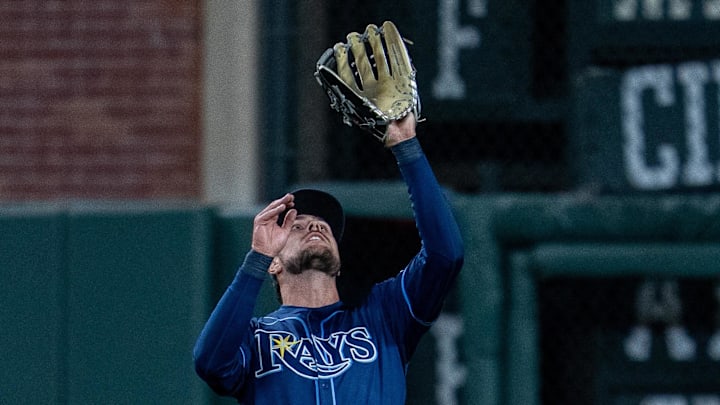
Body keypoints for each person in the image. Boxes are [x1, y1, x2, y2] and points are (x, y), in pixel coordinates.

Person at [193, 113, 464, 404]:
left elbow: (445, 255)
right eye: (296, 226)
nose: (315, 225)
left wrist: (407, 147)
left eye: (325, 226)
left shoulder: (385, 312)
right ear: (274, 262)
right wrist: (256, 259)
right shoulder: (256, 336)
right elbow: (210, 362)